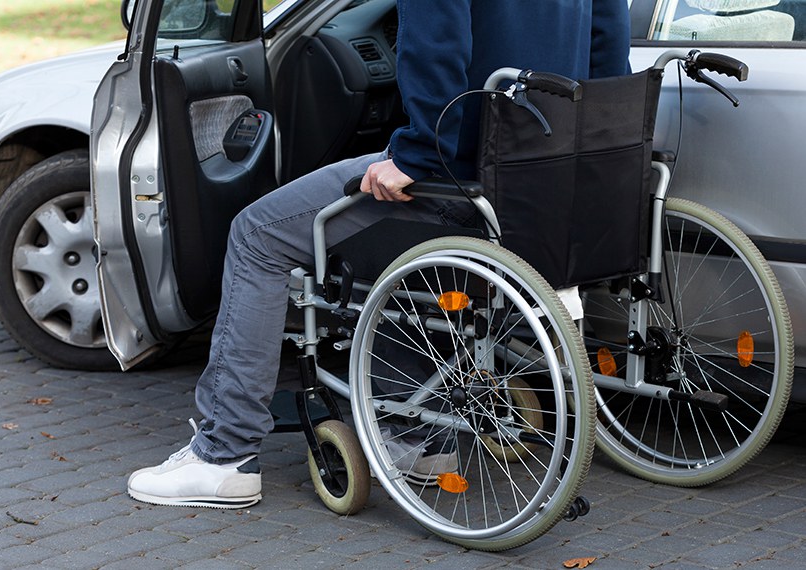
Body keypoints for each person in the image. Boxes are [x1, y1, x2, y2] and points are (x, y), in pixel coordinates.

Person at [127, 0, 631, 508]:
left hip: (463, 170)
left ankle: (223, 455)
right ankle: (417, 440)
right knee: (394, 251)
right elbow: (609, 53)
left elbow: (436, 46)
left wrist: (416, 156)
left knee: (257, 235)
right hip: (541, 177)